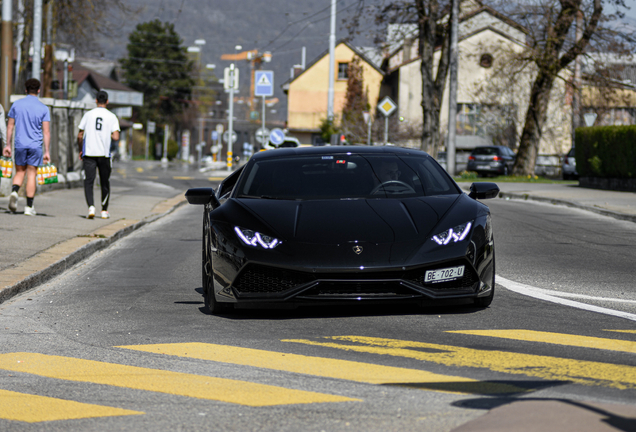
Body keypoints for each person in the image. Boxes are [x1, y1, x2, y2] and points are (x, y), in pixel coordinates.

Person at [2, 78, 51, 216]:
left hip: (20, 144)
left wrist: (7, 145)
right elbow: (46, 132)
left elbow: (10, 126)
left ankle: (14, 191)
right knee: (31, 174)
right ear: (39, 91)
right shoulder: (43, 108)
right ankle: (29, 207)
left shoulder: (16, 105)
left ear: (25, 90)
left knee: (19, 172)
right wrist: (47, 151)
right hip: (35, 145)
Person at [77, 90, 120, 219]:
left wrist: (81, 148)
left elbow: (80, 135)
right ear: (107, 101)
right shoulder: (112, 116)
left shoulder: (88, 115)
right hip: (104, 154)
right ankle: (104, 210)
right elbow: (116, 136)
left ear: (96, 101)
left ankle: (91, 207)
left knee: (89, 181)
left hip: (89, 153)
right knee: (104, 182)